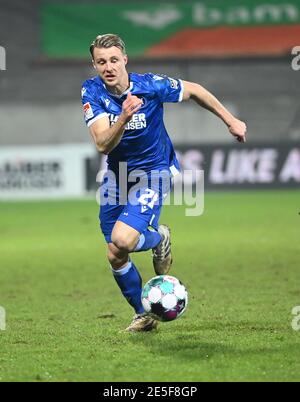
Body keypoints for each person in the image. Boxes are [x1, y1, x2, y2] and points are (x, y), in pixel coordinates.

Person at [81, 34, 247, 332]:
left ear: (125, 60)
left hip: (154, 172)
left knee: (123, 240)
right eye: (102, 61)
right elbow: (103, 144)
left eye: (114, 60)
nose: (109, 67)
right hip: (118, 177)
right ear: (94, 64)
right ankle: (143, 313)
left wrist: (230, 120)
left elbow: (194, 90)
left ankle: (158, 238)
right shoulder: (92, 91)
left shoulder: (151, 85)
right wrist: (123, 117)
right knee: (115, 253)